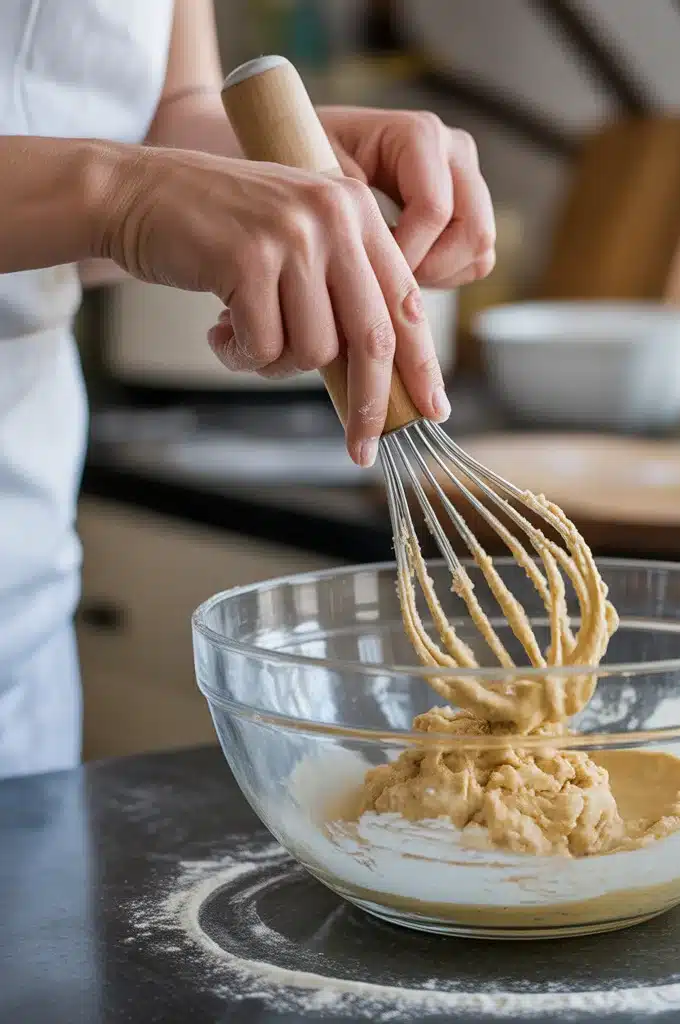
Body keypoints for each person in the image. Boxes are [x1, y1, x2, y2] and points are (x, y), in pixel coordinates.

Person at [0, 0, 496, 779]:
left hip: (20, 584)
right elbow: (111, 183)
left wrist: (287, 157)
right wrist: (116, 196)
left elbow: (164, 113)